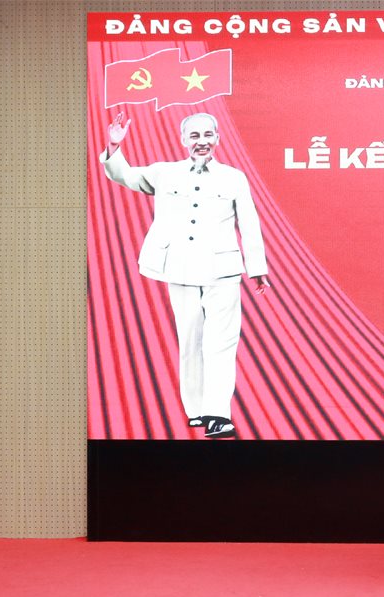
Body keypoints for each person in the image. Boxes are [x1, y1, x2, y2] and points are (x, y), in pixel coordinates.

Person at [100, 111, 270, 438]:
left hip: (223, 272)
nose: (201, 141)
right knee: (190, 340)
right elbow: (125, 176)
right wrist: (114, 145)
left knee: (222, 343)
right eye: (194, 136)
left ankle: (218, 414)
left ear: (217, 139)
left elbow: (249, 222)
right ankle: (196, 410)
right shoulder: (164, 173)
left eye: (208, 135)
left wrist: (257, 268)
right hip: (180, 268)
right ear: (183, 140)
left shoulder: (234, 178)